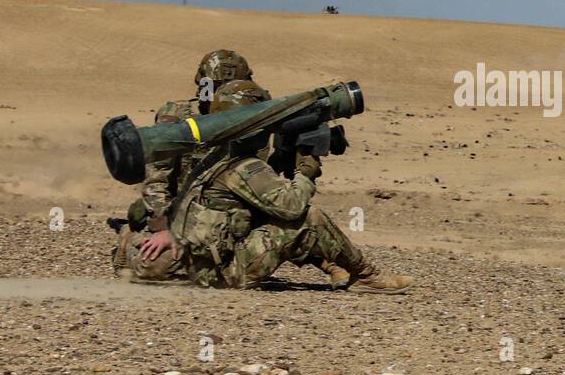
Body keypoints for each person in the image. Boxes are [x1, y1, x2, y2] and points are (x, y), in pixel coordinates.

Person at [166, 81, 414, 293]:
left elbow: (264, 197)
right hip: (227, 274)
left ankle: (335, 267)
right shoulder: (242, 167)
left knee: (278, 217)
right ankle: (366, 275)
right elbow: (292, 207)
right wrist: (306, 171)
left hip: (202, 268)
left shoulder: (215, 157)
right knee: (310, 219)